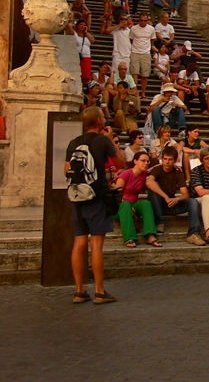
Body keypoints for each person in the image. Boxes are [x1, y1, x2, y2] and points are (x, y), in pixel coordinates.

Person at [64, 106, 125, 304]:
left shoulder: (74, 142)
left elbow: (67, 171)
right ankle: (99, 291)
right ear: (98, 121)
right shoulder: (102, 140)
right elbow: (121, 163)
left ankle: (79, 290)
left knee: (79, 243)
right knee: (96, 245)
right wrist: (112, 139)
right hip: (96, 196)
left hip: (77, 196)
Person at [145, 146, 203, 244]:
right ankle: (160, 221)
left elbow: (186, 194)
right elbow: (149, 182)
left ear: (175, 160)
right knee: (154, 187)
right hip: (156, 205)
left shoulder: (178, 172)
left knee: (193, 201)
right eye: (165, 159)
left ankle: (194, 233)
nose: (167, 162)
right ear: (162, 159)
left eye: (170, 159)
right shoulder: (157, 169)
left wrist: (177, 199)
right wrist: (165, 197)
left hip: (170, 205)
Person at [112, 151, 161, 248]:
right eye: (143, 161)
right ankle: (129, 238)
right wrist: (128, 207)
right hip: (119, 207)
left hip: (133, 206)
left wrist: (173, 166)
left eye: (147, 161)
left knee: (146, 203)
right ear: (135, 161)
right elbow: (116, 195)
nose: (146, 163)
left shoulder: (144, 174)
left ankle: (150, 236)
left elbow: (155, 168)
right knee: (126, 204)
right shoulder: (126, 174)